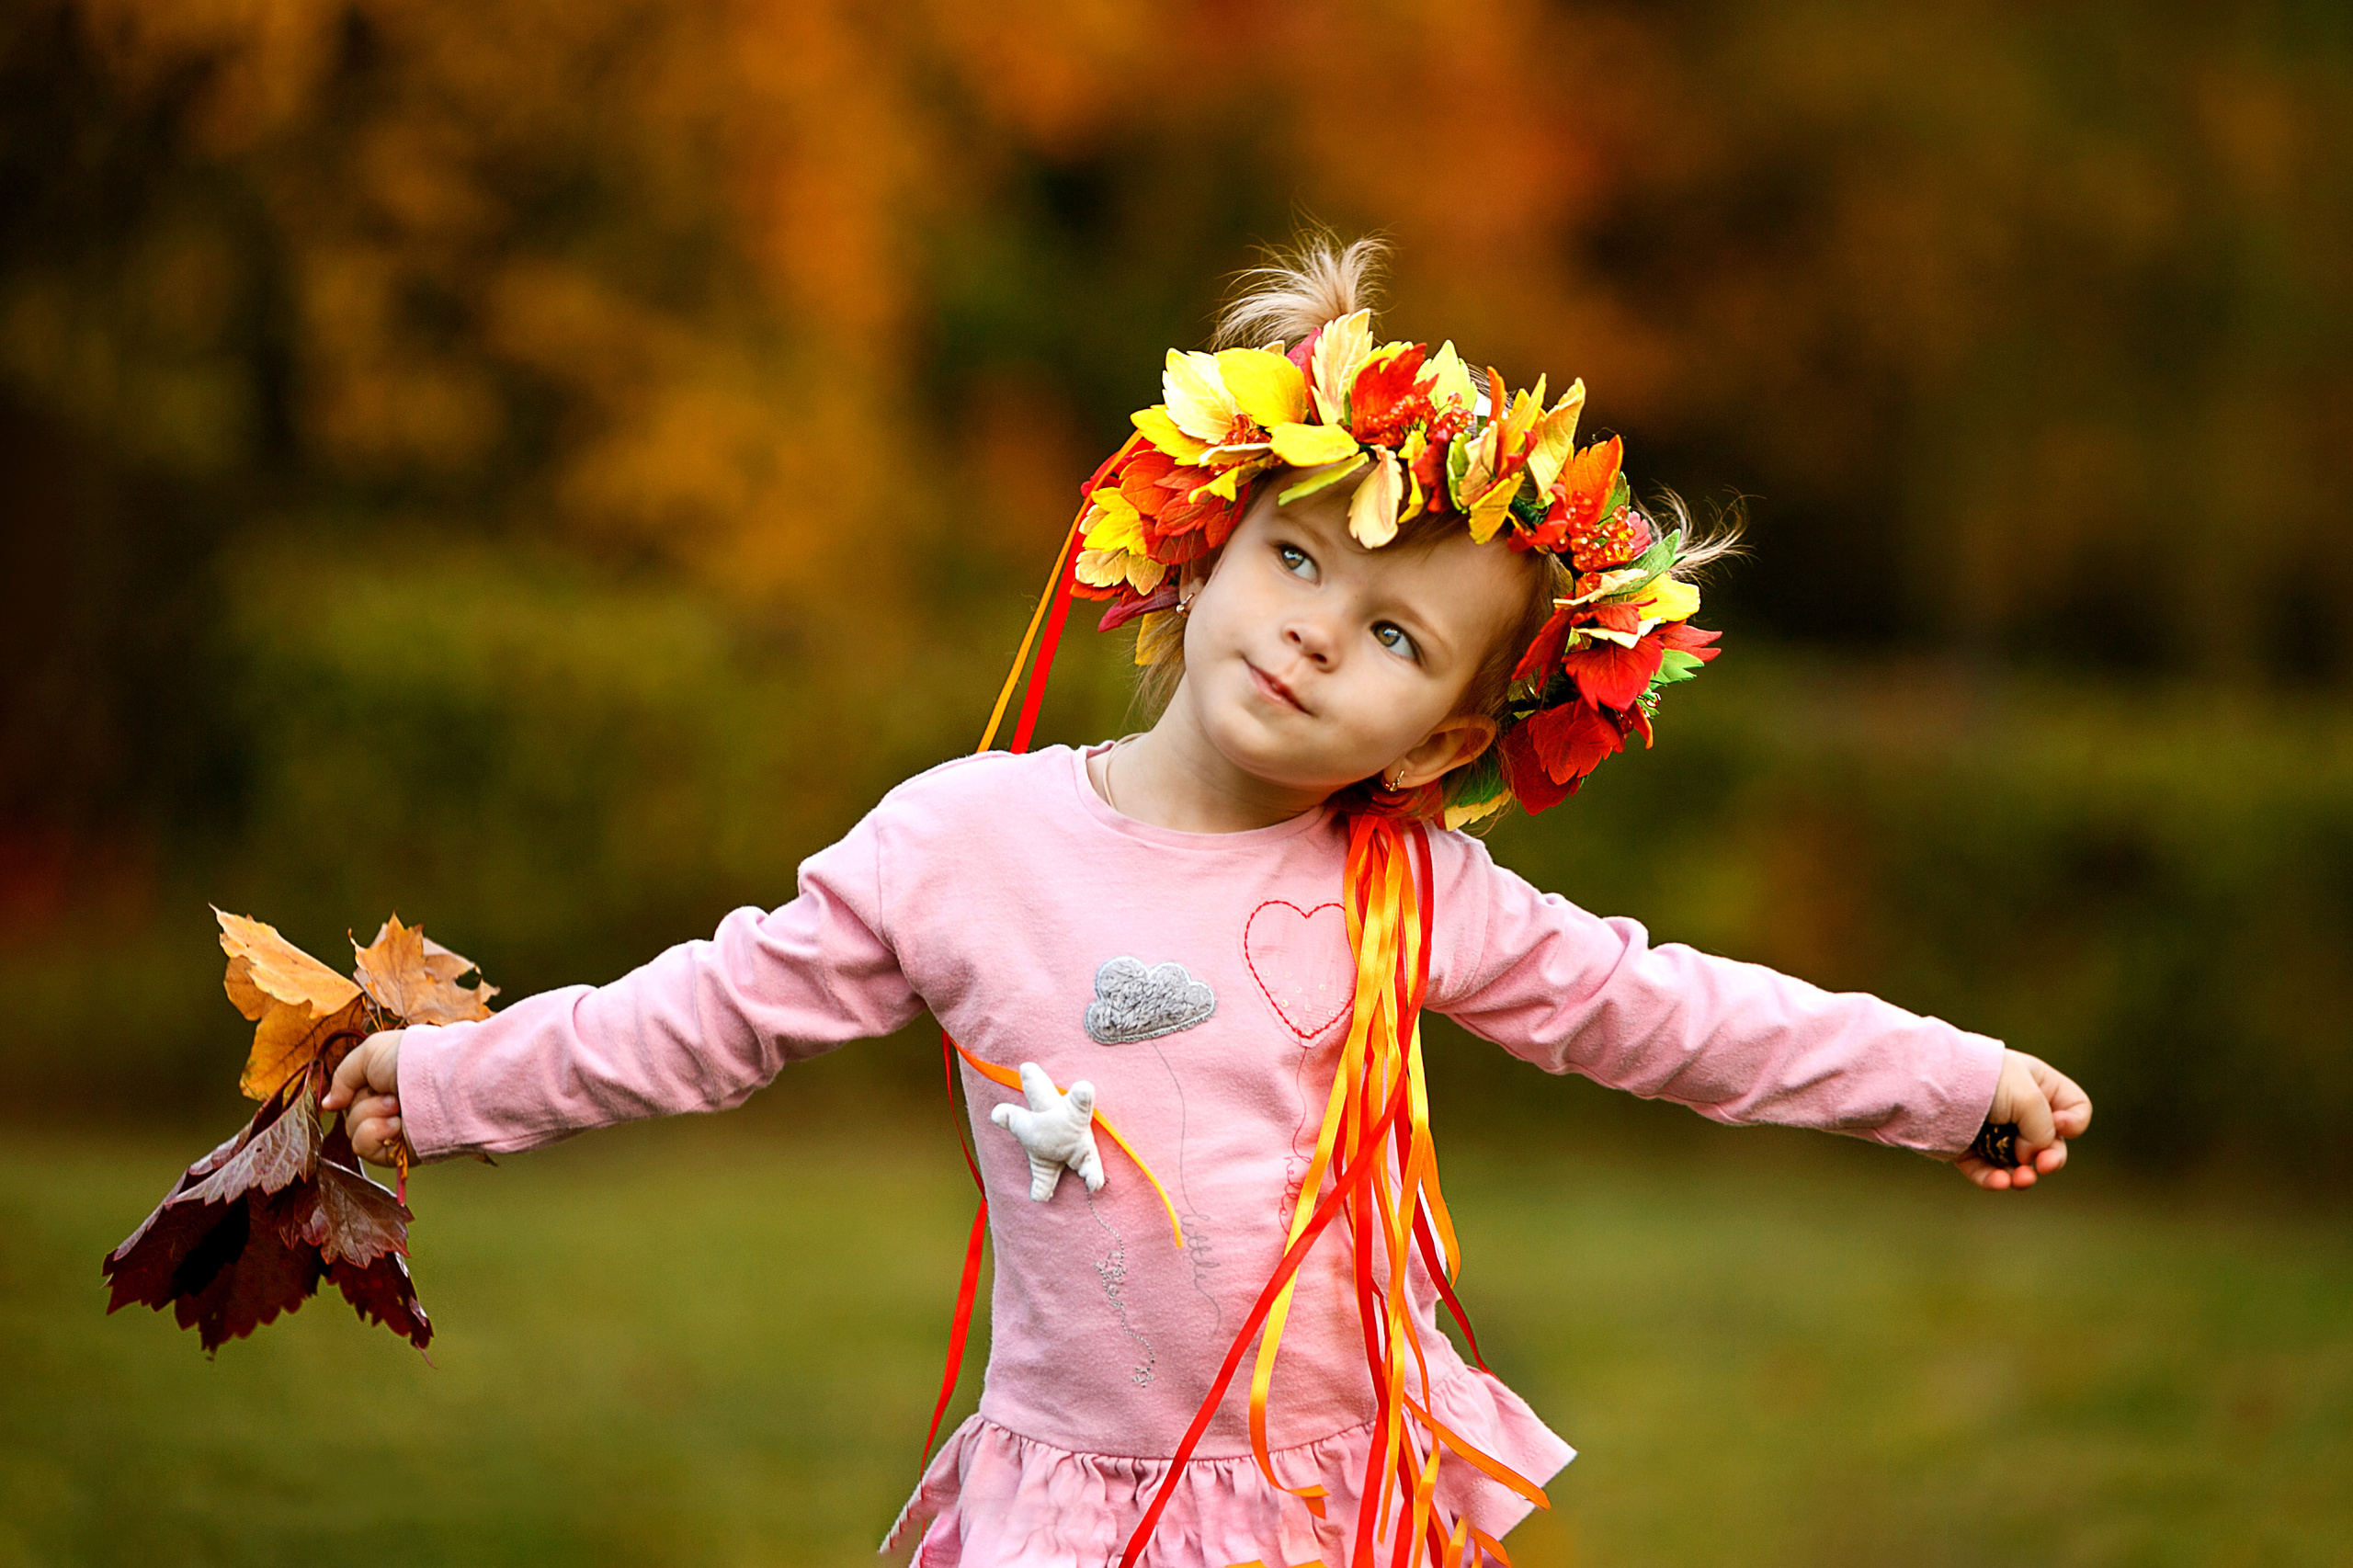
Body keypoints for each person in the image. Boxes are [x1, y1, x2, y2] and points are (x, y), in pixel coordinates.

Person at [323, 237, 2091, 1567]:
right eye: (1299, 558)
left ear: (1456, 730)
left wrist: (1952, 1081)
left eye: (1395, 632)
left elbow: (1677, 1014)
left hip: (1334, 1497)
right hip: (1066, 1506)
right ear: (1207, 542)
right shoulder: (963, 843)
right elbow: (706, 1015)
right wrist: (452, 1083)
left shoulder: (1413, 894)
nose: (1318, 625)